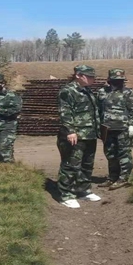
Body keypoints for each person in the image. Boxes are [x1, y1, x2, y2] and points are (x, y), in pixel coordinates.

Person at [56, 65, 102, 208]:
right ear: (78, 75)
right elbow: (65, 112)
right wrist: (70, 131)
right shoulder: (68, 91)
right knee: (70, 165)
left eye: (93, 76)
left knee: (87, 165)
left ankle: (84, 190)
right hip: (75, 135)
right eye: (89, 76)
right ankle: (66, 195)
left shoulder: (87, 90)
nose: (92, 79)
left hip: (89, 134)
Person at [96, 69, 133, 190]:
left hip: (123, 128)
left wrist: (132, 125)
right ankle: (112, 177)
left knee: (124, 154)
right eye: (115, 80)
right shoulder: (101, 92)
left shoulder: (128, 93)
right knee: (110, 154)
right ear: (109, 80)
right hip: (107, 128)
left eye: (120, 80)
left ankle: (123, 178)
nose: (118, 82)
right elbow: (97, 110)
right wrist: (98, 126)